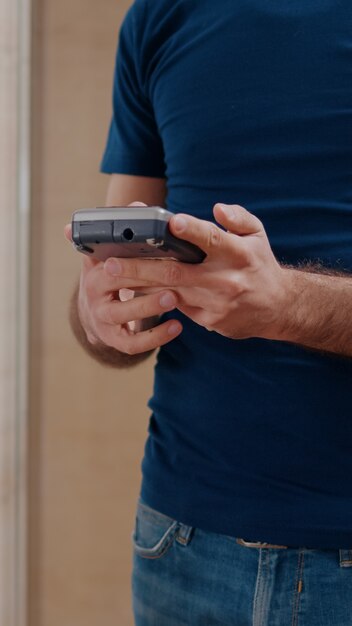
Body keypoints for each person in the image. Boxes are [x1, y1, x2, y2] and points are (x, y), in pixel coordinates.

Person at [66, 1, 352, 624]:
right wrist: (102, 313)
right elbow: (114, 286)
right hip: (179, 543)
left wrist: (288, 306)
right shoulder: (159, 15)